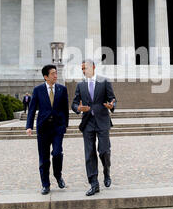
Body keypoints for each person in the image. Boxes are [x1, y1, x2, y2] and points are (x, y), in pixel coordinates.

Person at [71, 60, 117, 196]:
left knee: (104, 151)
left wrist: (111, 106)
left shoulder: (104, 82)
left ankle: (106, 171)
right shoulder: (80, 85)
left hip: (102, 121)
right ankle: (94, 183)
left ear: (94, 67)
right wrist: (78, 108)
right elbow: (74, 103)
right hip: (87, 123)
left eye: (85, 68)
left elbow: (112, 99)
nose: (84, 71)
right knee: (89, 153)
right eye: (82, 69)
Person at [26, 64, 69, 195]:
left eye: (56, 73)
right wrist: (29, 126)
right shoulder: (38, 90)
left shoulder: (62, 89)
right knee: (44, 158)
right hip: (43, 128)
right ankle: (45, 184)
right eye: (53, 74)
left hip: (57, 128)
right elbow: (32, 109)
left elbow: (65, 108)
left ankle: (58, 175)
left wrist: (65, 125)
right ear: (46, 77)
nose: (56, 75)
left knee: (57, 153)